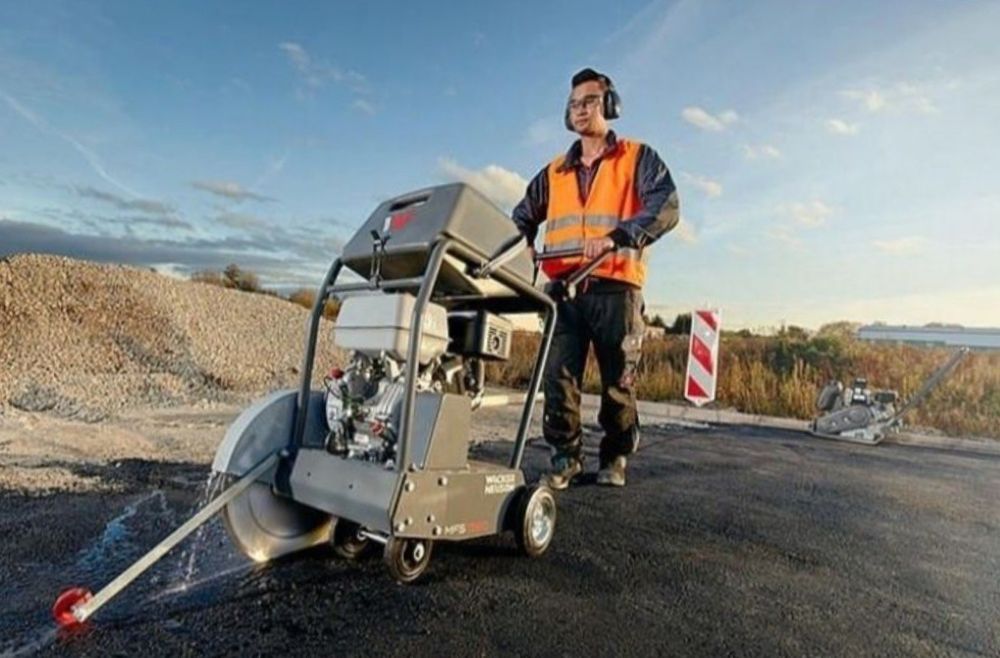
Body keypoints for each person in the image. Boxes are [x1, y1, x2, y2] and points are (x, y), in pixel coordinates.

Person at [511, 68, 679, 488]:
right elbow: (522, 217)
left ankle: (615, 455)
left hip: (617, 287)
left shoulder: (638, 158)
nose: (580, 109)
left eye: (589, 101)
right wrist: (524, 246)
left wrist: (617, 237)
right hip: (563, 291)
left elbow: (666, 205)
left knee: (618, 382)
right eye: (574, 104)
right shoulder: (554, 172)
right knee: (559, 379)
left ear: (610, 105)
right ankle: (564, 458)